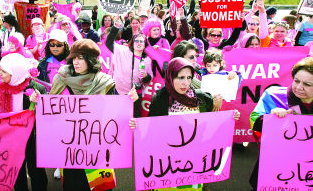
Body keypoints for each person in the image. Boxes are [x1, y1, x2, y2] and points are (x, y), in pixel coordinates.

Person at [129, 57, 240, 190]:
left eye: (189, 78)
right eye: (180, 78)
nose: (185, 83)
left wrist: (229, 118)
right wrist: (139, 127)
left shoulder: (202, 98)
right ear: (170, 77)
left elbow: (211, 125)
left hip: (195, 163)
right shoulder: (160, 99)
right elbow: (152, 130)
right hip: (167, 164)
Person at [49, 39, 128, 191]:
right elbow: (51, 111)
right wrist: (38, 102)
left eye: (80, 58)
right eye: (73, 58)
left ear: (91, 60)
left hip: (97, 146)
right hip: (71, 147)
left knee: (101, 188)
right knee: (74, 186)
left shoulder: (105, 83)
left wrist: (127, 117)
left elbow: (115, 116)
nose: (76, 62)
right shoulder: (61, 79)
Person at [0, 53, 47, 191]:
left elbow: (46, 112)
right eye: (0, 70)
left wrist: (39, 101)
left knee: (35, 168)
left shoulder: (34, 88)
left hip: (31, 136)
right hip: (10, 135)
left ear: (15, 72)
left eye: (4, 71)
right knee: (15, 168)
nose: (0, 74)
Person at [249, 57, 313, 189]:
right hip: (275, 166)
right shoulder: (274, 95)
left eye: (307, 84)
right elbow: (254, 121)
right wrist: (270, 118)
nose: (299, 87)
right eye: (296, 81)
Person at [106, 21, 153, 117]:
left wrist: (146, 76)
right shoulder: (123, 50)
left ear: (145, 45)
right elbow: (109, 42)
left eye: (142, 41)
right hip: (118, 92)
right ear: (132, 42)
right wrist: (115, 27)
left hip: (135, 94)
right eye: (137, 41)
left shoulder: (147, 60)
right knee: (117, 118)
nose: (139, 43)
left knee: (134, 119)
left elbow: (149, 79)